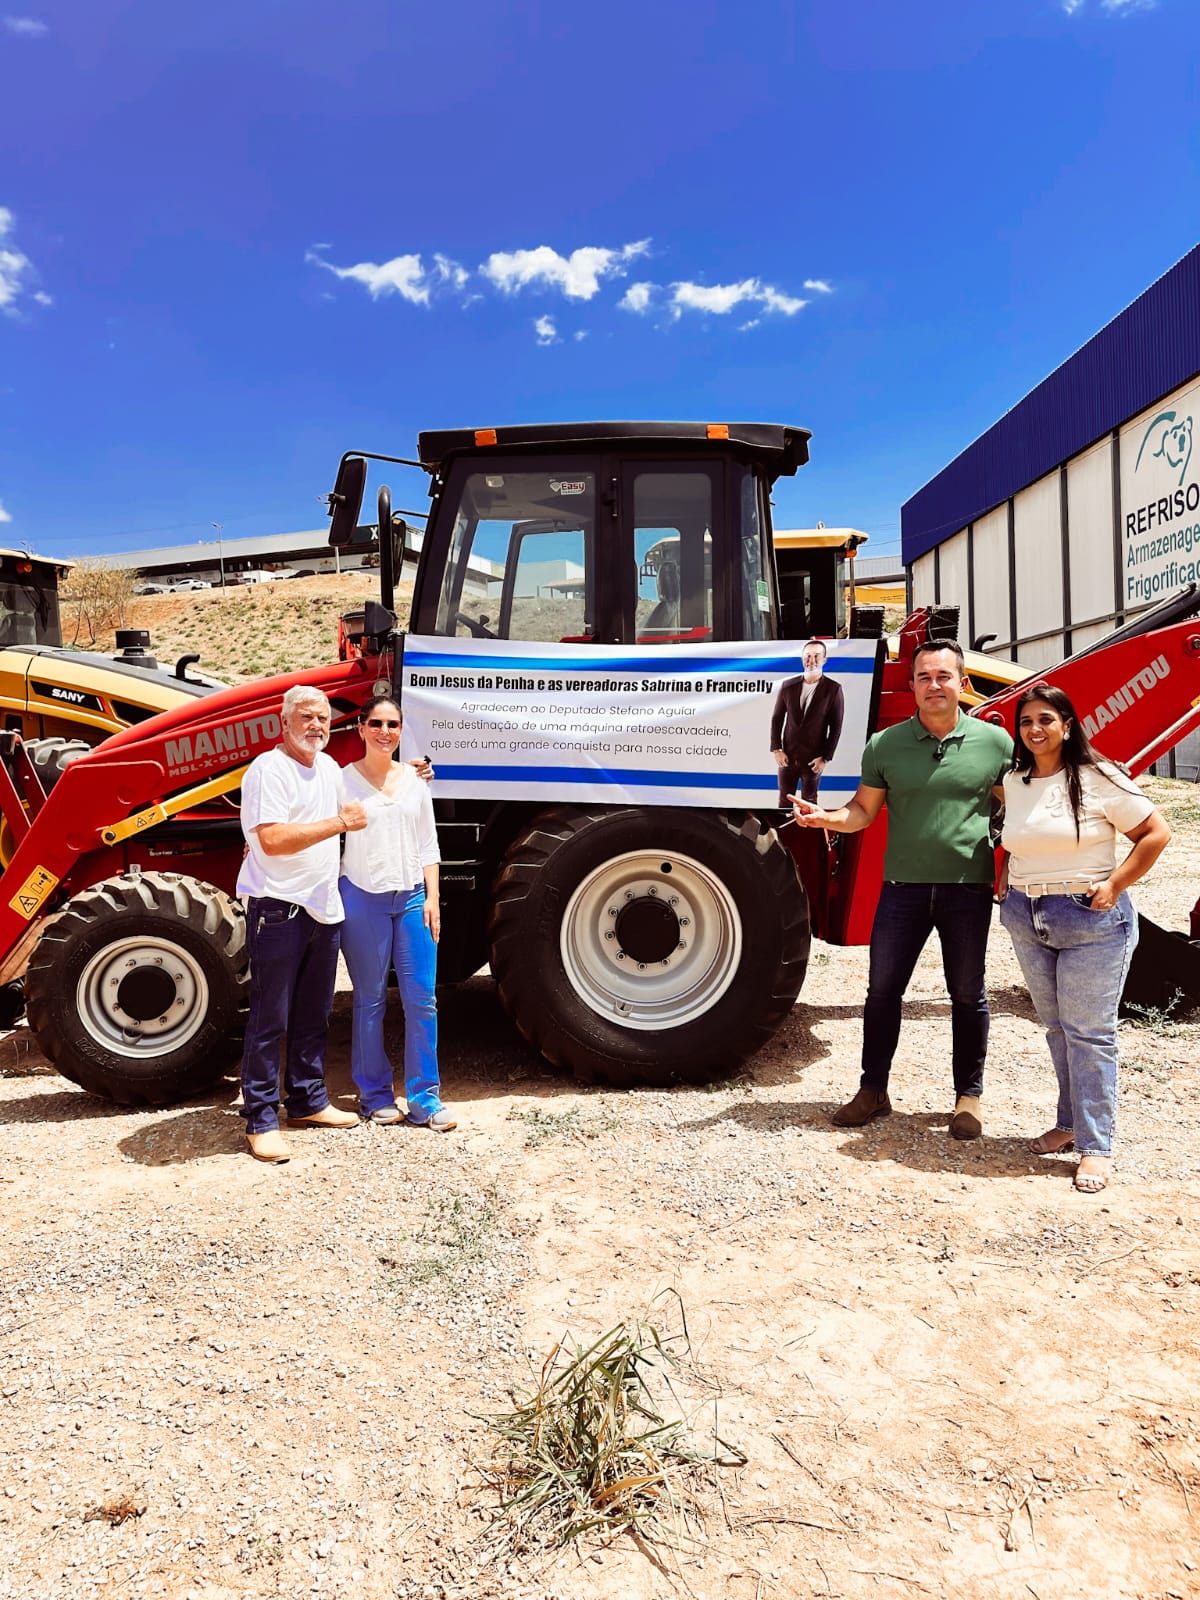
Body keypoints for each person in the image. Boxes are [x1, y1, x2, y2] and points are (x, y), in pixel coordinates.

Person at [793, 640, 1012, 1138]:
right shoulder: (885, 745)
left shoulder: (995, 744)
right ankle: (873, 1090)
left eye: (944, 676)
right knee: (882, 992)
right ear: (911, 685)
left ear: (962, 683)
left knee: (967, 994)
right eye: (924, 677)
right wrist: (825, 817)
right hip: (902, 891)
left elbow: (1018, 810)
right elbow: (862, 811)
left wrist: (1016, 863)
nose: (934, 685)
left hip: (967, 891)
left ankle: (968, 1097)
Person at [998, 684, 1169, 1194]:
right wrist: (1008, 878)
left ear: (1068, 726)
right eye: (1026, 721)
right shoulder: (1015, 781)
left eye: (1046, 719)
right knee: (1056, 1027)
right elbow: (1020, 840)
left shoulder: (1098, 776)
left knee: (1090, 1034)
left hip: (1089, 920)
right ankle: (1069, 1123)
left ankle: (1096, 1146)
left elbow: (1156, 833)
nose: (1035, 729)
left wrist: (1114, 884)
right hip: (1026, 915)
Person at [237, 686, 366, 1163]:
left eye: (323, 718)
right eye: (307, 717)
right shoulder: (268, 770)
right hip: (278, 908)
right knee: (270, 1017)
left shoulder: (328, 768)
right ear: (284, 722)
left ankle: (308, 1101)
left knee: (314, 1013)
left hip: (321, 907)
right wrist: (338, 824)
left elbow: (366, 796)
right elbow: (271, 839)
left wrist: (414, 775)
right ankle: (260, 1120)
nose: (316, 726)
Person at [337, 694, 456, 1131]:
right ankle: (374, 1095)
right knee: (369, 1000)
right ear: (361, 729)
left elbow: (428, 844)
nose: (384, 732)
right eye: (376, 724)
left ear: (401, 731)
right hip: (361, 897)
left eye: (393, 725)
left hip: (411, 900)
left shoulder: (415, 781)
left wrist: (432, 898)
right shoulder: (342, 782)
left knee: (422, 1000)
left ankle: (425, 1098)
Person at [770, 639, 845, 804]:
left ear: (824, 659)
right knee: (784, 801)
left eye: (817, 656)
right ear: (802, 658)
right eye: (808, 656)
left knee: (809, 802)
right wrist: (777, 749)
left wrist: (825, 758)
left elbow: (836, 727)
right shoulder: (787, 685)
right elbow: (777, 718)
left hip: (814, 760)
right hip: (787, 757)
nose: (812, 660)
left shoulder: (833, 689)